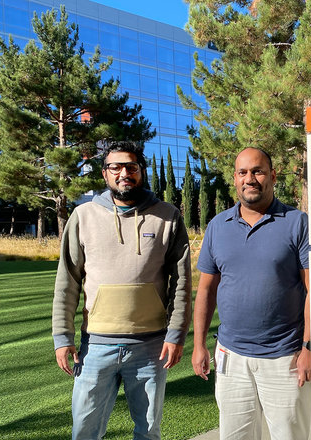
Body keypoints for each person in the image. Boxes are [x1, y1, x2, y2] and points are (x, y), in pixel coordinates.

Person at [52, 140, 192, 440]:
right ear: (105, 174)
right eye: (115, 167)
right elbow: (67, 282)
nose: (123, 173)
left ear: (141, 171)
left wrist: (176, 333)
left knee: (148, 432)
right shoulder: (83, 216)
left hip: (151, 348)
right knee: (85, 432)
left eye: (131, 167)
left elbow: (180, 282)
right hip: (95, 348)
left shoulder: (168, 216)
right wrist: (62, 338)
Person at [192, 147, 311, 440]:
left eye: (257, 171)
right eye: (243, 172)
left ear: (272, 175)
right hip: (231, 357)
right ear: (234, 179)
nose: (250, 179)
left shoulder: (297, 222)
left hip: (285, 357)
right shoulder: (218, 226)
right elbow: (206, 289)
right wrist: (199, 345)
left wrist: (309, 348)